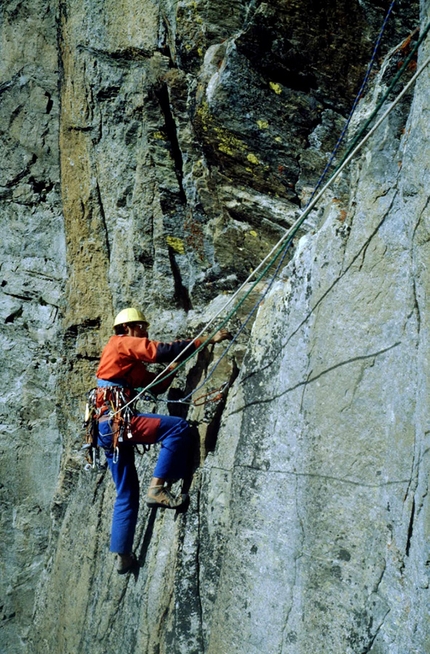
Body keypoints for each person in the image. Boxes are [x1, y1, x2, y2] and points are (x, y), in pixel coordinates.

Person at [95, 307, 228, 574]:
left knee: (126, 492)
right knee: (177, 428)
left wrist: (173, 367)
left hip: (107, 430)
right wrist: (205, 339)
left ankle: (123, 556)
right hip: (118, 423)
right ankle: (157, 488)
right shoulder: (119, 343)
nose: (145, 332)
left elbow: (155, 386)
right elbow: (159, 350)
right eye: (141, 327)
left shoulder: (125, 364)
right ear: (129, 328)